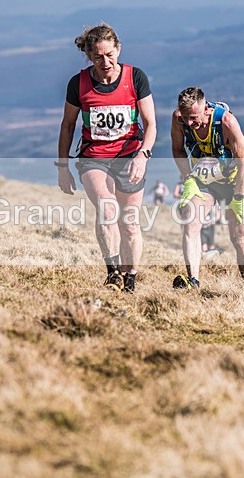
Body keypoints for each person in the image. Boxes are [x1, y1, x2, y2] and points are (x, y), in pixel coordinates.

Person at [56, 23, 157, 294]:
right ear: (89, 55)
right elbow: (67, 126)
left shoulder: (136, 78)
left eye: (110, 54)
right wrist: (63, 167)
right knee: (106, 207)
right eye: (99, 56)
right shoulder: (78, 83)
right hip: (93, 157)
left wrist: (143, 155)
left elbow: (150, 124)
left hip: (129, 156)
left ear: (118, 49)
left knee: (130, 223)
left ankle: (130, 278)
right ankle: (112, 272)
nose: (106, 62)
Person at [170, 86, 244, 288]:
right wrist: (188, 179)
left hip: (233, 182)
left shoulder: (226, 122)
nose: (189, 123)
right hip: (204, 181)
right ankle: (193, 281)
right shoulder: (179, 119)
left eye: (193, 117)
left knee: (240, 236)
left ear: (205, 109)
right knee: (190, 221)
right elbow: (178, 149)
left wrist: (239, 197)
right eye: (185, 117)